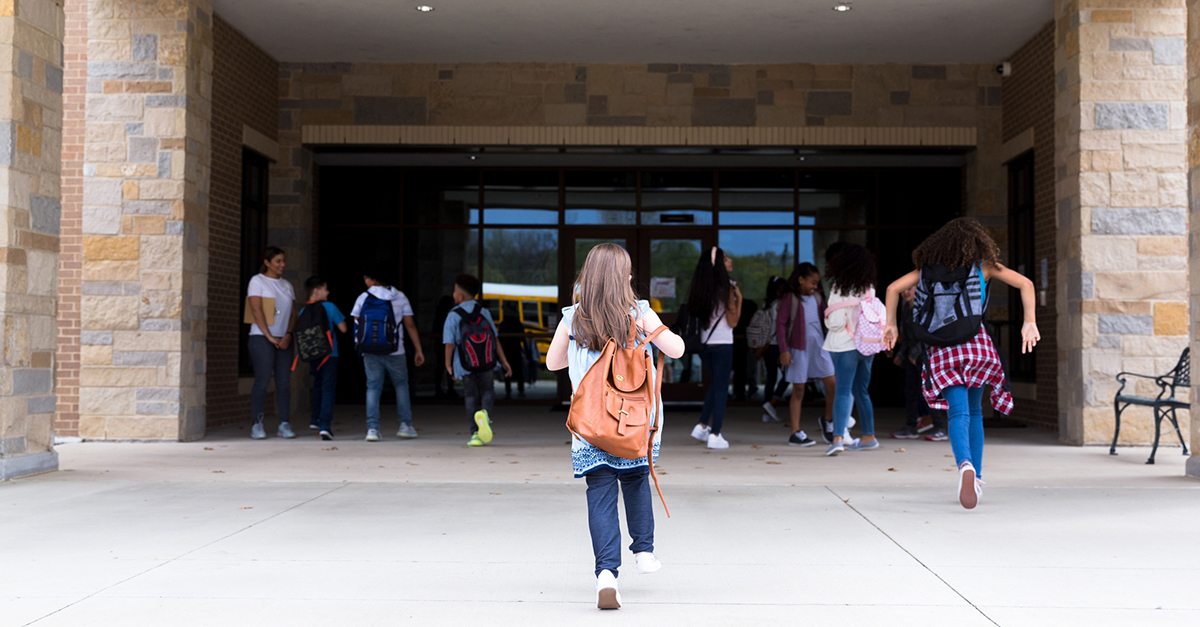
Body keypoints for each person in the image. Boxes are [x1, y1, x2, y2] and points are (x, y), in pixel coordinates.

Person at [545, 243, 686, 610]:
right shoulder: (639, 312)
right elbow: (677, 350)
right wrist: (649, 329)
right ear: (624, 277)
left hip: (591, 425)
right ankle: (644, 550)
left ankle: (606, 575)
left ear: (587, 277)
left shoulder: (572, 317)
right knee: (637, 479)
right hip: (635, 422)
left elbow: (552, 364)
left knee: (601, 495)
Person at [884, 217, 1039, 509]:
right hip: (977, 344)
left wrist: (891, 325)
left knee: (957, 413)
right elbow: (1026, 283)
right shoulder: (984, 266)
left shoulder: (926, 271)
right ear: (977, 242)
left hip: (943, 349)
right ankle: (976, 477)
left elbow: (893, 289)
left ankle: (964, 465)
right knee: (975, 413)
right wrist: (1029, 321)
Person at [351, 266, 425, 442]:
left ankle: (372, 429)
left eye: (367, 277)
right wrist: (418, 349)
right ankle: (406, 425)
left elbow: (357, 324)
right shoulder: (400, 297)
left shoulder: (364, 297)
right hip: (395, 350)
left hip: (369, 351)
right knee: (401, 385)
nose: (365, 281)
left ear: (374, 280)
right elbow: (410, 326)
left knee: (373, 387)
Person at [821, 243, 879, 456]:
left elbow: (834, 322)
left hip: (844, 345)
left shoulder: (839, 288)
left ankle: (837, 438)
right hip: (867, 345)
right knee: (861, 391)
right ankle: (869, 436)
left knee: (842, 391)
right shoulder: (869, 288)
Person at [443, 274, 513, 447]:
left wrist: (448, 365)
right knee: (488, 390)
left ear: (460, 296)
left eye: (454, 291)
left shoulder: (453, 315)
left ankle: (475, 433)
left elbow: (449, 344)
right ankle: (485, 415)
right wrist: (504, 361)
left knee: (470, 394)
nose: (453, 295)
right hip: (487, 362)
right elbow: (495, 340)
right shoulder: (484, 312)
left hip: (466, 364)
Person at [687, 247, 742, 450]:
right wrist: (740, 299)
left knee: (716, 384)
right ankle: (716, 433)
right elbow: (733, 321)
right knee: (721, 388)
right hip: (723, 344)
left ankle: (702, 426)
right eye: (726, 259)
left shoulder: (701, 288)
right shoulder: (726, 288)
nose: (730, 261)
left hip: (704, 345)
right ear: (719, 264)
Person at [776, 263, 836, 447]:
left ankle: (827, 420)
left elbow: (829, 316)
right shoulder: (790, 299)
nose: (814, 286)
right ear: (800, 280)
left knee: (833, 385)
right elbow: (780, 324)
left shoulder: (818, 297)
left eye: (817, 283)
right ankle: (795, 432)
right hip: (798, 349)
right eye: (812, 282)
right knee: (799, 390)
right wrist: (783, 350)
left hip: (819, 348)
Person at [247, 247, 298, 440]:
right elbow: (256, 309)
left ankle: (284, 423)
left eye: (283, 261)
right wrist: (269, 336)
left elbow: (293, 313)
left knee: (284, 382)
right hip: (261, 338)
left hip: (284, 339)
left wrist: (288, 334)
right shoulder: (257, 281)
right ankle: (256, 423)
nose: (282, 265)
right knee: (262, 380)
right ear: (267, 262)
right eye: (278, 261)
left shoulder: (287, 285)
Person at [889, 285, 947, 441]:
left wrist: (915, 354)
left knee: (929, 392)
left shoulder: (924, 309)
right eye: (903, 289)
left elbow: (928, 335)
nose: (906, 292)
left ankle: (940, 428)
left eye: (910, 289)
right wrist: (901, 354)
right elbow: (907, 337)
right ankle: (911, 427)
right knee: (910, 392)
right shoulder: (906, 309)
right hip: (911, 358)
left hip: (925, 357)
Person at [301, 277, 348, 440]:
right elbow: (343, 328)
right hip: (330, 353)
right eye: (325, 289)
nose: (328, 292)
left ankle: (315, 419)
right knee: (328, 387)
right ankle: (325, 426)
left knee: (318, 384)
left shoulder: (303, 311)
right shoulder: (330, 307)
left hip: (314, 355)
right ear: (316, 291)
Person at [757, 277, 791, 422]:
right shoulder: (781, 306)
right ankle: (773, 402)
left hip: (766, 346)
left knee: (771, 378)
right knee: (789, 375)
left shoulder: (766, 306)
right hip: (778, 345)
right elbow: (782, 327)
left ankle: (767, 412)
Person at [498, 302, 528, 399]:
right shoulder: (515, 323)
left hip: (510, 350)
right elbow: (523, 338)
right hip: (513, 350)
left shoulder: (505, 323)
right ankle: (518, 390)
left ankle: (512, 390)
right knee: (517, 371)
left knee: (512, 371)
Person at [732, 297, 758, 402]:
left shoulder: (737, 316)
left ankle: (740, 392)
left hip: (740, 344)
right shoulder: (747, 317)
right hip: (745, 344)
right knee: (745, 369)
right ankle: (745, 391)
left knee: (741, 369)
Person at [433, 295, 458, 399]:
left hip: (440, 343)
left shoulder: (440, 314)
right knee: (447, 367)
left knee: (442, 367)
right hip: (444, 343)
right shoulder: (447, 315)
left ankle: (442, 388)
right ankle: (448, 388)